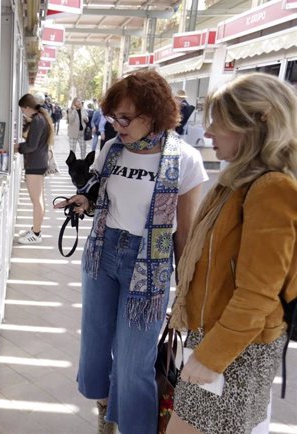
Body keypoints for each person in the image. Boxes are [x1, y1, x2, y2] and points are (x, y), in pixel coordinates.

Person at [55, 70, 208, 434]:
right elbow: (98, 197)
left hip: (150, 264)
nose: (116, 125)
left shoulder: (185, 160)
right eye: (113, 116)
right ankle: (105, 410)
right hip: (103, 253)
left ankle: (134, 427)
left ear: (152, 113)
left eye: (124, 117)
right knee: (94, 344)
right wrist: (83, 203)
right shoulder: (112, 149)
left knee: (134, 359)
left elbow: (184, 235)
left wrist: (185, 293)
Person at [167, 73, 297, 434]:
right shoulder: (241, 181)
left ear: (255, 123)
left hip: (235, 348)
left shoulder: (271, 188)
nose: (207, 133)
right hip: (219, 337)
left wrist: (211, 357)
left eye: (218, 122)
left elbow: (258, 292)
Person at [15, 93, 54, 245]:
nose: (22, 113)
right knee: (38, 200)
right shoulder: (40, 118)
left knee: (36, 201)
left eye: (22, 110)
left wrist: (17, 147)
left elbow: (31, 146)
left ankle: (36, 233)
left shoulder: (37, 120)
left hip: (35, 164)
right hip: (38, 162)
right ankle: (35, 230)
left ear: (27, 107)